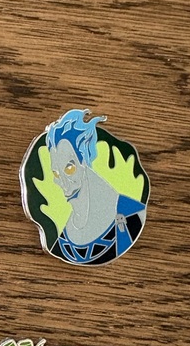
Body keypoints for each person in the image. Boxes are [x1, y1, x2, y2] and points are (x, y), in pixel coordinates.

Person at [46, 110, 146, 265]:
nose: (64, 184)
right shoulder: (62, 242)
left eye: (69, 168)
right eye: (56, 174)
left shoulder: (133, 216)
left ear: (84, 161)